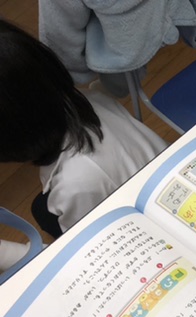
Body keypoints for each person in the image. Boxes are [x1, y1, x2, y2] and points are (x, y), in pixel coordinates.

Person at [0, 19, 167, 270]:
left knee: (45, 213)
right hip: (147, 177)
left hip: (145, 240)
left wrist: (6, 253)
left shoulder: (76, 185)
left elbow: (86, 259)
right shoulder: (86, 99)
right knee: (41, 209)